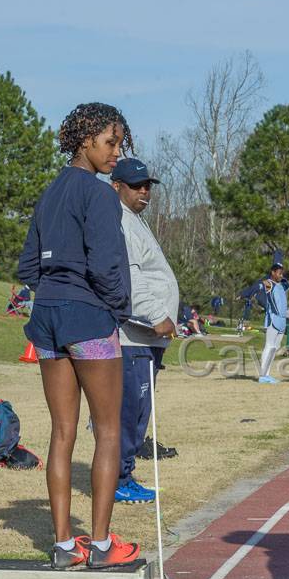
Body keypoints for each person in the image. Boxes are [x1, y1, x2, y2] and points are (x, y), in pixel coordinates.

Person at [17, 101, 141, 570]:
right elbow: (108, 265)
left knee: (62, 432)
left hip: (46, 315)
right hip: (87, 317)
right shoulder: (100, 195)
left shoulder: (48, 194)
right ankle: (104, 546)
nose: (116, 153)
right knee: (108, 430)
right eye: (110, 143)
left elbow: (29, 265)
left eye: (119, 144)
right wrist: (119, 309)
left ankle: (65, 546)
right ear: (85, 140)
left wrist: (56, 287)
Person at [109, 156, 181, 501]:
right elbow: (131, 277)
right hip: (134, 338)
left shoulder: (135, 220)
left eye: (148, 186)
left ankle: (124, 475)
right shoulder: (119, 221)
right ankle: (119, 480)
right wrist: (157, 315)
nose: (145, 192)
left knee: (138, 413)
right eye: (137, 186)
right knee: (130, 414)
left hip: (147, 338)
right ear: (116, 186)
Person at [242, 263, 289, 383]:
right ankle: (263, 375)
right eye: (278, 272)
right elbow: (259, 285)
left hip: (282, 320)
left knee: (275, 347)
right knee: (269, 345)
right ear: (272, 272)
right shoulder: (269, 283)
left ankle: (267, 374)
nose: (281, 275)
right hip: (273, 319)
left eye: (281, 272)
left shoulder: (281, 285)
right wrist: (247, 293)